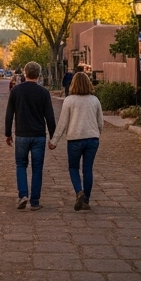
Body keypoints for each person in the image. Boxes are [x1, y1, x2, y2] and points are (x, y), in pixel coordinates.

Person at [4, 61, 56, 211]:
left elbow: (9, 114)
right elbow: (50, 117)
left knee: (21, 165)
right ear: (39, 75)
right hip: (39, 135)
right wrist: (53, 137)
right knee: (37, 168)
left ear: (25, 73)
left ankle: (23, 195)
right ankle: (35, 201)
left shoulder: (16, 91)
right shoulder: (43, 92)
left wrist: (8, 133)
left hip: (21, 134)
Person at [49, 70, 104, 210]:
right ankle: (86, 200)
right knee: (88, 169)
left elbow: (62, 122)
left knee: (73, 168)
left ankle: (79, 191)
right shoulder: (94, 100)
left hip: (75, 139)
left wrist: (54, 141)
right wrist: (97, 134)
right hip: (92, 138)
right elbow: (100, 123)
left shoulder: (69, 100)